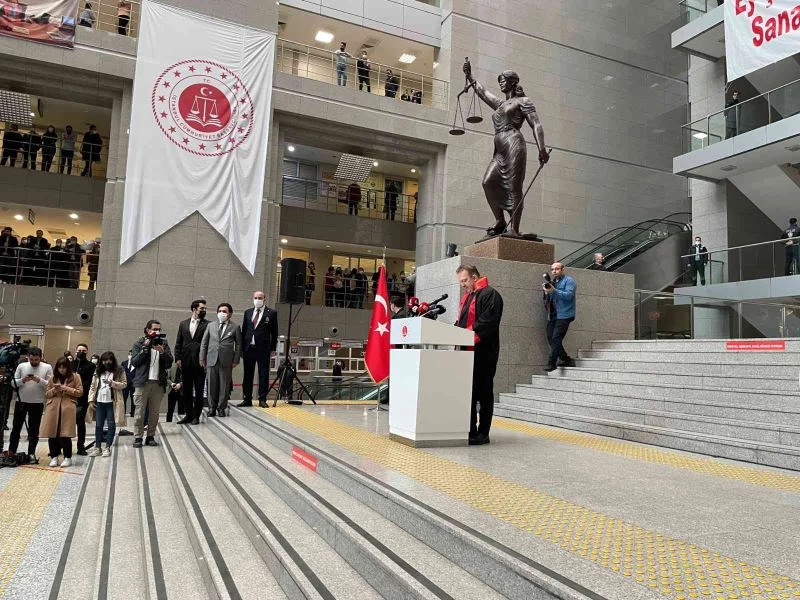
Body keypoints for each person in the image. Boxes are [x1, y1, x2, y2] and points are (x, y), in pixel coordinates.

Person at [463, 60, 549, 237]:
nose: (501, 83)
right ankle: (500, 220)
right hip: (500, 148)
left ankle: (514, 229)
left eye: (503, 80)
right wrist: (470, 76)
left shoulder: (523, 101)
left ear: (513, 82)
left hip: (513, 144)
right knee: (488, 182)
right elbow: (482, 92)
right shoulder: (501, 104)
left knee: (514, 186)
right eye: (500, 81)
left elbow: (536, 124)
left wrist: (541, 148)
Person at [455, 265, 503, 446]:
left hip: (484, 352)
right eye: (461, 281)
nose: (463, 285)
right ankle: (470, 430)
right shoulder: (468, 297)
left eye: (465, 280)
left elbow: (487, 322)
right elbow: (461, 322)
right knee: (469, 392)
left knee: (484, 393)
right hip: (467, 352)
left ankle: (483, 433)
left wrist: (466, 334)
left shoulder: (491, 295)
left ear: (474, 277)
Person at [129, 320, 173, 448]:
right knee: (139, 413)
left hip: (158, 384)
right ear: (148, 330)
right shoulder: (139, 343)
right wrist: (145, 349)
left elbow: (169, 362)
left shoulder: (164, 344)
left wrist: (162, 352)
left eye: (159, 329)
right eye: (154, 329)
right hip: (142, 383)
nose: (157, 332)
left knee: (154, 413)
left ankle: (150, 436)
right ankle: (138, 437)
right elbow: (135, 362)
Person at [6, 347, 51, 462]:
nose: (34, 362)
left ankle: (31, 453)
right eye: (31, 359)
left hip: (37, 402)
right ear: (28, 357)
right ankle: (11, 451)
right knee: (16, 428)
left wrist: (39, 380)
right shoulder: (22, 366)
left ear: (41, 358)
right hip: (21, 401)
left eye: (36, 360)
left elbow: (50, 385)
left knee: (34, 430)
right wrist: (23, 380)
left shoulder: (47, 367)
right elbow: (13, 383)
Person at [200, 303, 242, 418]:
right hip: (211, 359)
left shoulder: (235, 327)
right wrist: (202, 358)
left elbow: (238, 345)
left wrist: (236, 360)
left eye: (224, 311)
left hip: (226, 360)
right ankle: (211, 408)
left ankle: (221, 408)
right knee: (211, 385)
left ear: (230, 314)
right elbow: (204, 343)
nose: (221, 313)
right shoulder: (210, 326)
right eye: (219, 311)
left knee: (224, 385)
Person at [42, 356, 83, 467]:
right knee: (52, 433)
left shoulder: (75, 377)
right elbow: (47, 394)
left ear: (68, 367)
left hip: (67, 408)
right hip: (53, 408)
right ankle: (54, 457)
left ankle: (67, 457)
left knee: (65, 434)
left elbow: (80, 392)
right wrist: (54, 390)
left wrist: (65, 388)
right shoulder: (53, 378)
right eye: (59, 367)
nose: (62, 370)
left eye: (64, 367)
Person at [238, 291, 278, 408]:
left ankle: (262, 399)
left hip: (263, 349)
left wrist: (273, 348)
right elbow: (244, 330)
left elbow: (274, 333)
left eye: (260, 298)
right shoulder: (248, 312)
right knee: (247, 375)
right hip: (249, 348)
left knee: (263, 374)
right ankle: (247, 399)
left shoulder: (271, 313)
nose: (257, 300)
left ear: (264, 299)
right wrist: (242, 347)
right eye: (255, 297)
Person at [174, 299, 209, 425]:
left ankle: (196, 416)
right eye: (202, 308)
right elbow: (178, 342)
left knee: (199, 391)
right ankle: (188, 415)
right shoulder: (183, 323)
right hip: (185, 361)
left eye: (205, 309)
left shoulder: (208, 324)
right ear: (194, 309)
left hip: (200, 362)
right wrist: (178, 358)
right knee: (186, 390)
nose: (204, 310)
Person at [87, 352, 126, 457]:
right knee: (98, 425)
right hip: (99, 401)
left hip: (112, 402)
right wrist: (91, 400)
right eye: (105, 360)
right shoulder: (98, 370)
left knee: (111, 425)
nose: (107, 362)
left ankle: (108, 447)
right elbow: (92, 386)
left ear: (113, 360)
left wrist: (112, 383)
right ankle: (97, 447)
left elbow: (124, 384)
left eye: (109, 360)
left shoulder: (119, 370)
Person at [543, 262, 577, 372]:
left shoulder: (569, 281)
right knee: (551, 338)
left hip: (564, 315)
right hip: (553, 315)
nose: (554, 271)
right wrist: (547, 293)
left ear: (562, 269)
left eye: (557, 269)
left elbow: (569, 296)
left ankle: (551, 363)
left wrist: (554, 290)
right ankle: (565, 359)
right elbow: (549, 299)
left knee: (556, 338)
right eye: (552, 269)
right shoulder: (553, 282)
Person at [72, 343, 95, 455]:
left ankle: (80, 446)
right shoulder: (70, 364)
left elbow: (89, 381)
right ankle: (61, 444)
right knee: (66, 422)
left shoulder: (91, 365)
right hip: (69, 396)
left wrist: (79, 390)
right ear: (76, 351)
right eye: (79, 350)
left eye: (84, 351)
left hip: (82, 397)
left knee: (80, 422)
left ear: (87, 352)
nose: (81, 352)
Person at [120, 353, 136, 433]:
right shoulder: (124, 363)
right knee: (124, 398)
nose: (130, 355)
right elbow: (121, 373)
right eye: (129, 354)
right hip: (126, 384)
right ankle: (123, 413)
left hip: (133, 384)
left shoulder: (136, 363)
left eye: (131, 354)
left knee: (133, 399)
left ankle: (133, 413)